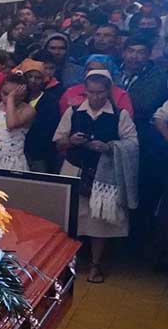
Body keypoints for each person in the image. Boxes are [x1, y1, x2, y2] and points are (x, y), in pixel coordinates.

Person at [54, 70, 139, 284]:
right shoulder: (73, 112)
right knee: (70, 219)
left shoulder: (120, 115)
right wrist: (72, 140)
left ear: (108, 91)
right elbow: (58, 142)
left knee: (99, 222)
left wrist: (110, 147)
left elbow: (133, 144)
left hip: (104, 174)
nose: (96, 97)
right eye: (91, 92)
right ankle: (66, 263)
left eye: (100, 93)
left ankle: (95, 264)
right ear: (85, 91)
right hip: (74, 170)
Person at [115, 35, 168, 241]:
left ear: (149, 55)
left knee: (141, 188)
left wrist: (117, 101)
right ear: (123, 52)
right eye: (131, 51)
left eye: (141, 52)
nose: (135, 57)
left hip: (145, 142)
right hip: (114, 139)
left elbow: (146, 104)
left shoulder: (160, 76)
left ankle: (137, 238)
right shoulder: (115, 71)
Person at [0, 73, 35, 172]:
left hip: (11, 161)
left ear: (23, 94)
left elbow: (11, 124)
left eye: (13, 95)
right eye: (5, 93)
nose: (7, 98)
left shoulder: (27, 110)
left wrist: (11, 99)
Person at [23, 54, 66, 174]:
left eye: (37, 77)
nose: (33, 81)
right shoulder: (18, 99)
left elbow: (48, 129)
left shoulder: (50, 100)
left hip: (40, 153)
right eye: (29, 77)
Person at [59, 55, 134, 117]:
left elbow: (127, 121)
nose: (94, 72)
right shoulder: (71, 92)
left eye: (100, 69)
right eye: (90, 69)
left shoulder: (121, 95)